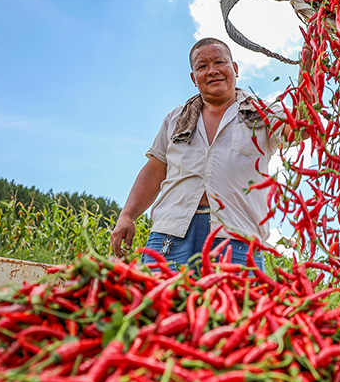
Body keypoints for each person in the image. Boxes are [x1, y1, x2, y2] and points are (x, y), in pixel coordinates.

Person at [110, 38, 282, 270]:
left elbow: (303, 127)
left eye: (219, 62)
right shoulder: (176, 118)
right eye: (202, 66)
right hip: (171, 233)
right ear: (194, 78)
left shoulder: (264, 113)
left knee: (236, 305)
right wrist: (127, 215)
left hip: (238, 235)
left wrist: (311, 81)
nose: (212, 71)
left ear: (235, 69)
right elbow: (154, 171)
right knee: (163, 304)